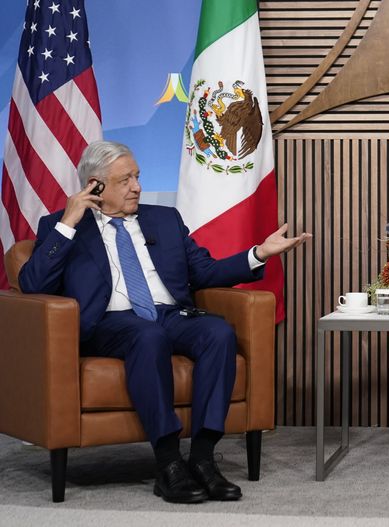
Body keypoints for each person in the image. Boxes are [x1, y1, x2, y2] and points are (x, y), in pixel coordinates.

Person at [18, 141, 311, 504]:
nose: (137, 187)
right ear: (95, 186)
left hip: (170, 315)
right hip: (110, 324)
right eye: (125, 180)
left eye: (137, 177)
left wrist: (259, 254)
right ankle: (169, 462)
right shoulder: (63, 227)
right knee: (148, 335)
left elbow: (204, 271)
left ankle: (203, 459)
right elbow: (32, 284)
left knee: (218, 332)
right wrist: (68, 223)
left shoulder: (164, 220)